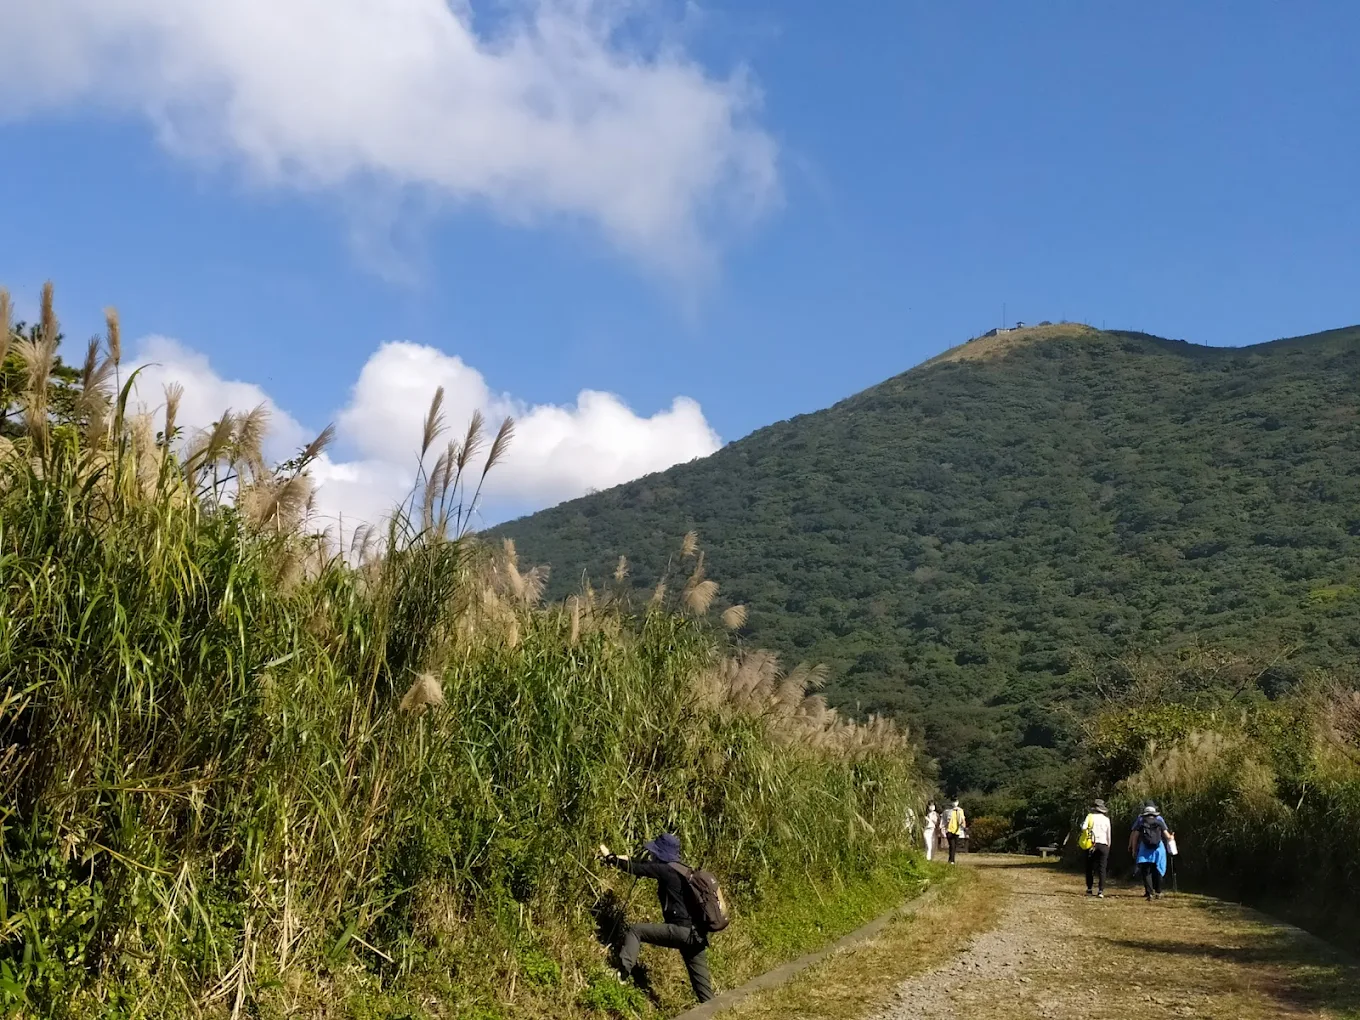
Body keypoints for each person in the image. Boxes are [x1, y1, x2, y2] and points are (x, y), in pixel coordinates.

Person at [600, 833, 714, 1003]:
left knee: (635, 931)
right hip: (696, 936)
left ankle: (622, 973)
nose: (652, 855)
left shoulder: (665, 870)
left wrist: (611, 859)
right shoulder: (682, 870)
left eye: (654, 852)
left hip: (680, 931)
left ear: (660, 853)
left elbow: (638, 868)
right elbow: (642, 863)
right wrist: (616, 856)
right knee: (705, 993)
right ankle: (716, 1012)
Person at [1128, 805, 1168, 900]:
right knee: (1158, 870)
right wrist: (1172, 838)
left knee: (1146, 872)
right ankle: (1158, 892)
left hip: (1145, 850)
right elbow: (1167, 836)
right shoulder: (1159, 821)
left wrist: (1134, 850)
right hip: (1158, 849)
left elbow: (1135, 837)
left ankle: (1149, 893)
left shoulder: (1141, 822)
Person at [1079, 799, 1112, 898]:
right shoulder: (1106, 819)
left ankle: (1089, 888)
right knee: (1102, 868)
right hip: (1103, 844)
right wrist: (1108, 845)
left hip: (1091, 844)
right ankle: (1100, 891)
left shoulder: (1090, 817)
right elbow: (1108, 834)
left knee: (1089, 867)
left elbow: (1083, 828)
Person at [943, 800, 967, 865]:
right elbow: (944, 821)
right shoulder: (947, 811)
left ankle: (950, 859)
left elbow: (963, 819)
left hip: (957, 830)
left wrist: (964, 826)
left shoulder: (960, 810)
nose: (954, 803)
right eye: (953, 801)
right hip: (949, 830)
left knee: (954, 845)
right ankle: (952, 860)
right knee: (952, 845)